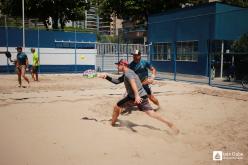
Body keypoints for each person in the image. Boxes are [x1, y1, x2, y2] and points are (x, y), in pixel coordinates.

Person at [98, 59, 179, 135]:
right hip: (142, 95)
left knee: (117, 106)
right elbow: (117, 81)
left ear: (123, 65)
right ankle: (169, 123)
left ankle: (112, 124)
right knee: (151, 113)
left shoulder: (128, 73)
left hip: (135, 96)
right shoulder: (128, 72)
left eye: (118, 65)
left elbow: (133, 83)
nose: (117, 66)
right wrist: (106, 77)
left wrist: (136, 96)